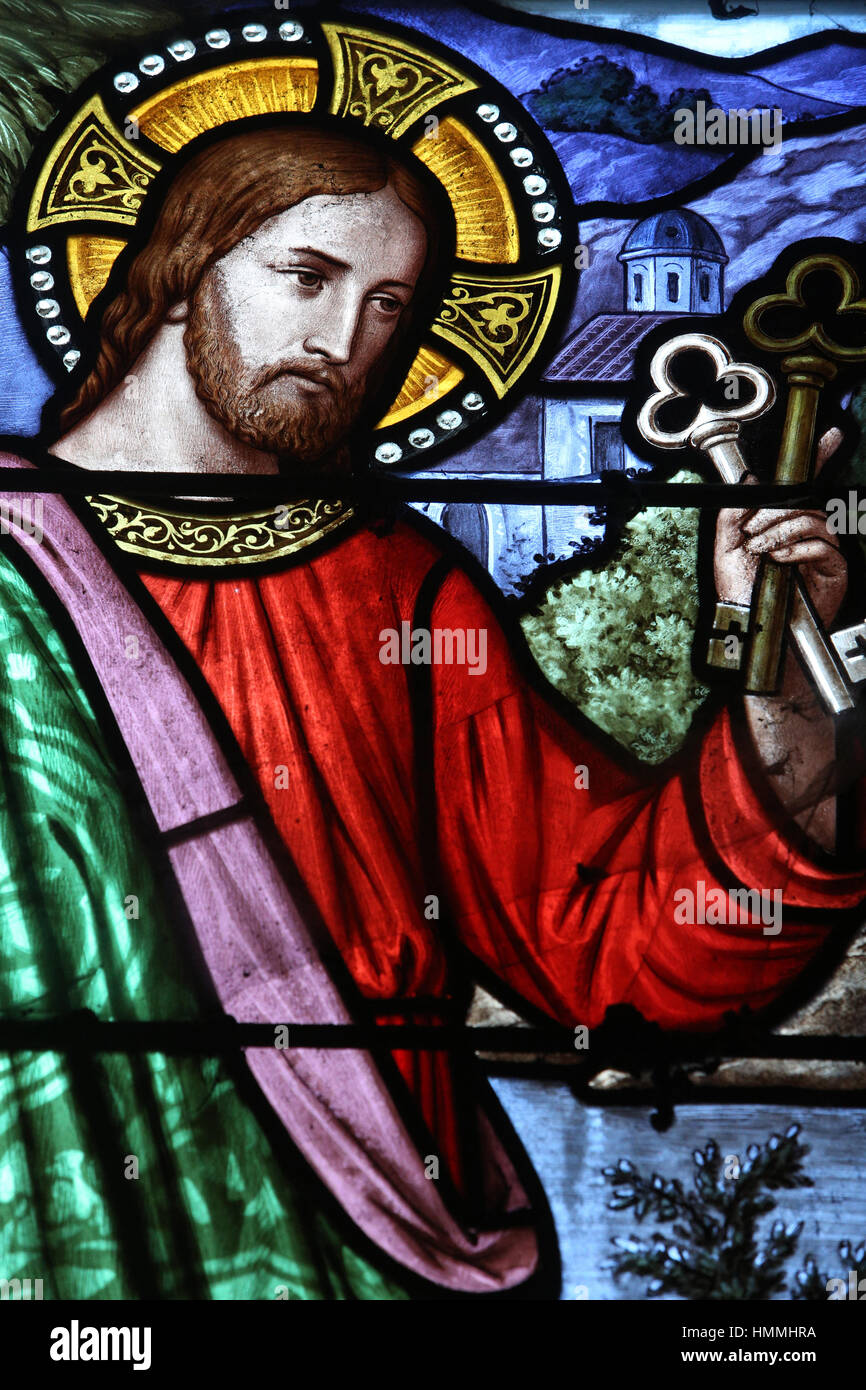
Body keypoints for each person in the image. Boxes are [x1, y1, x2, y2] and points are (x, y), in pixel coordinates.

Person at [2, 123, 861, 1297]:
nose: (343, 340)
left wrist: (773, 687)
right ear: (176, 272)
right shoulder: (11, 572)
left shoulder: (400, 586)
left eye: (391, 305)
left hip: (377, 1188)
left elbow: (604, 930)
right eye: (305, 277)